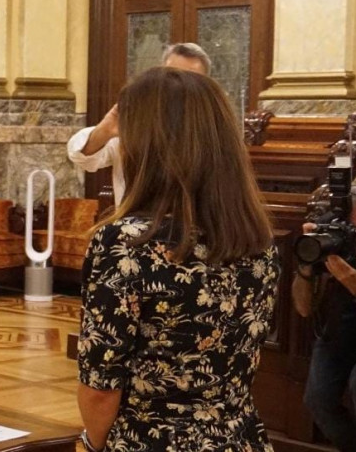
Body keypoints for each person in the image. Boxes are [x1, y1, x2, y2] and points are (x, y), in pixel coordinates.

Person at [77, 67, 279, 452]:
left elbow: (101, 385)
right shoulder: (258, 238)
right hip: (239, 437)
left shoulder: (124, 244)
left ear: (146, 146)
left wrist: (91, 445)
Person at [67, 43, 211, 206]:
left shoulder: (213, 132)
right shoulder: (138, 124)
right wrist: (106, 130)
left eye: (190, 79)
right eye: (172, 76)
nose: (178, 86)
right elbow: (82, 157)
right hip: (135, 226)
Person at [291, 184, 356, 452]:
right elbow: (303, 309)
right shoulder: (334, 239)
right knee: (318, 399)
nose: (355, 239)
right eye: (351, 230)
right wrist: (306, 263)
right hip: (344, 327)